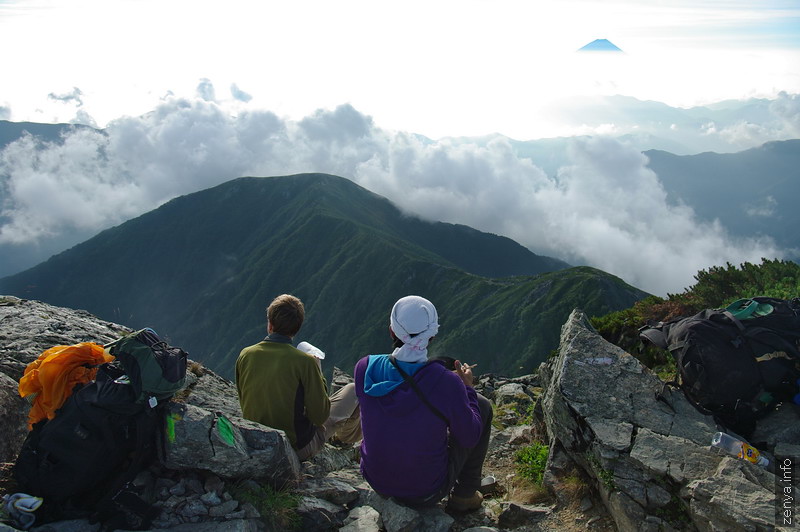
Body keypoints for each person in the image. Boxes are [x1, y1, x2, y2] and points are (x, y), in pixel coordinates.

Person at [354, 295, 493, 512]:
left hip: (376, 481)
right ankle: (464, 495)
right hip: (425, 492)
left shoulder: (365, 368)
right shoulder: (447, 382)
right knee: (482, 406)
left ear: (392, 331)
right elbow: (469, 436)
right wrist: (467, 388)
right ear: (433, 335)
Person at [236, 294, 361, 460]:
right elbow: (320, 416)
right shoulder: (305, 363)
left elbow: (243, 396)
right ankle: (343, 441)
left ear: (270, 325)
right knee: (354, 391)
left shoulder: (246, 354)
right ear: (297, 327)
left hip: (255, 440)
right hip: (295, 448)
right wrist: (318, 373)